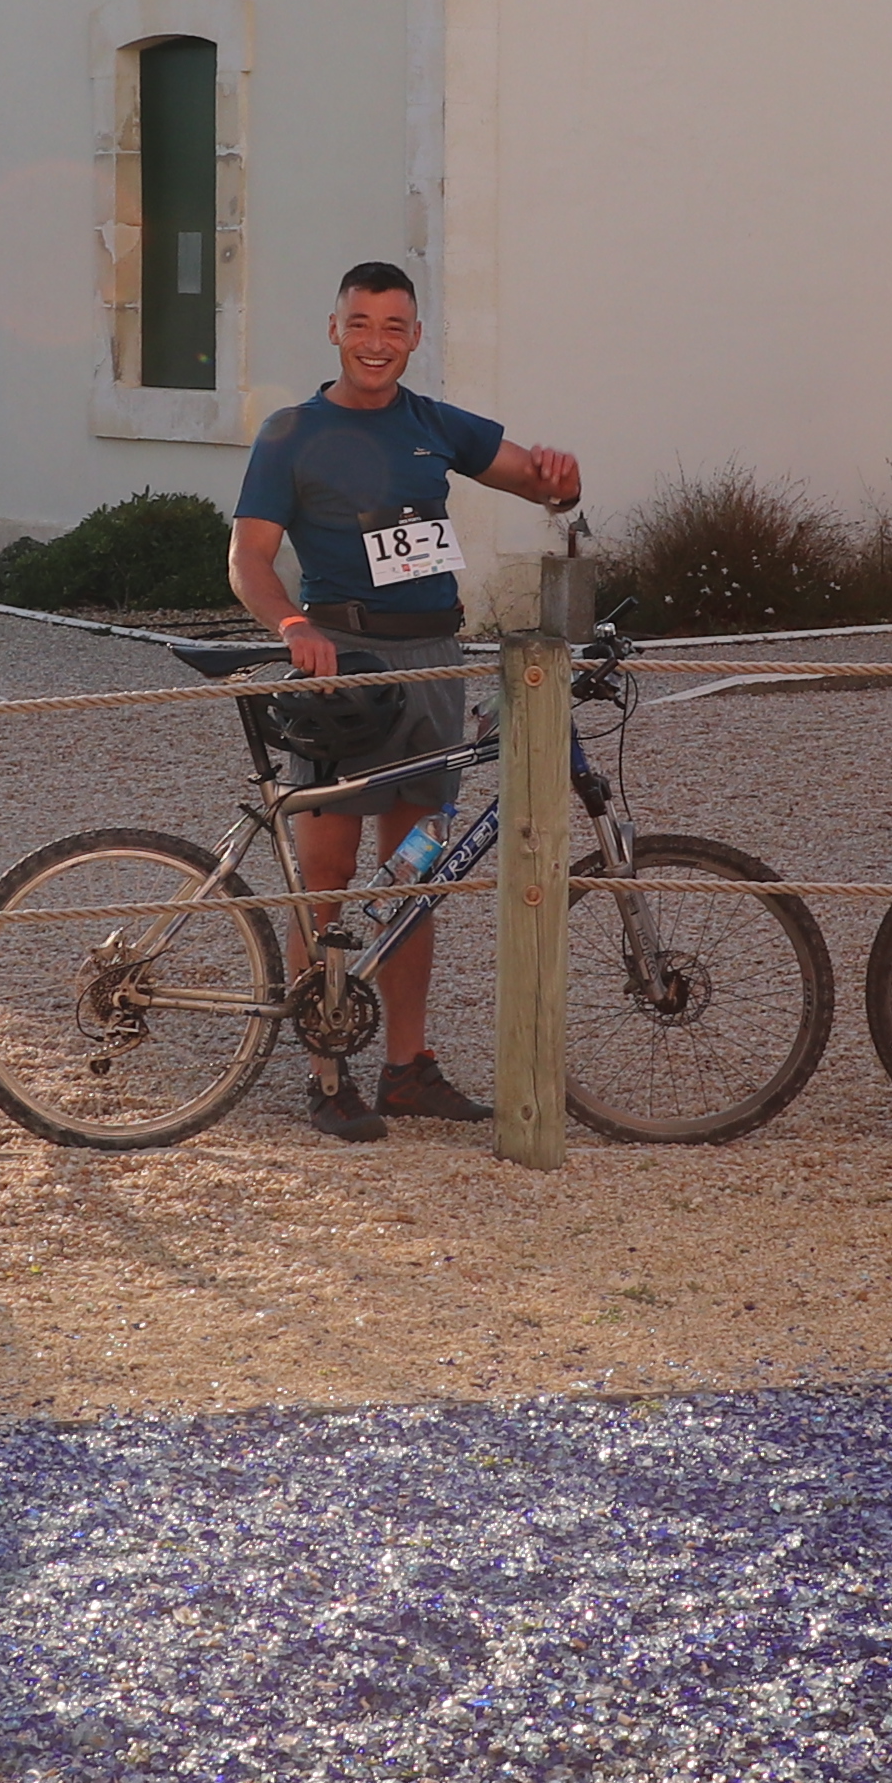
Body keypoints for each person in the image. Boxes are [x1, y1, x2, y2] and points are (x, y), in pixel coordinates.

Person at [228, 262, 587, 1139]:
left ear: (415, 337)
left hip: (432, 663)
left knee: (414, 875)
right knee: (329, 877)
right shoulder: (291, 432)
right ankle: (325, 1070)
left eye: (395, 326)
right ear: (334, 329)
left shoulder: (433, 425)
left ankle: (406, 1068)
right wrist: (291, 628)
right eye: (361, 324)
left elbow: (537, 482)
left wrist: (562, 478)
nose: (377, 342)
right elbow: (247, 561)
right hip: (343, 671)